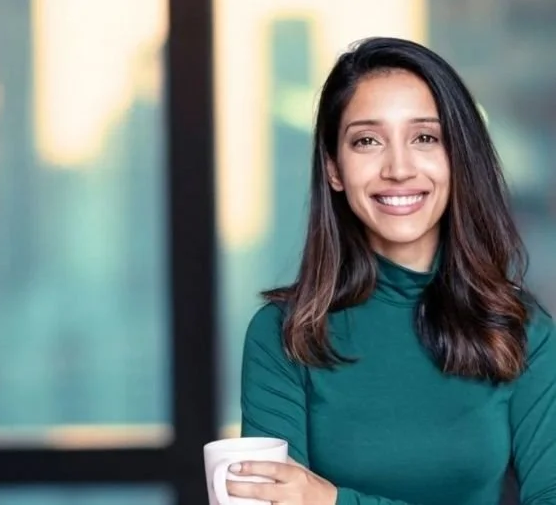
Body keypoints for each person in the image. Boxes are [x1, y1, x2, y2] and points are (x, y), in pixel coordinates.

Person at [228, 37, 556, 505]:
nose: (398, 168)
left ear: (457, 158)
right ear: (335, 170)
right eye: (367, 141)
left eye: (425, 137)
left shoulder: (522, 331)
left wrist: (334, 502)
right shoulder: (285, 335)